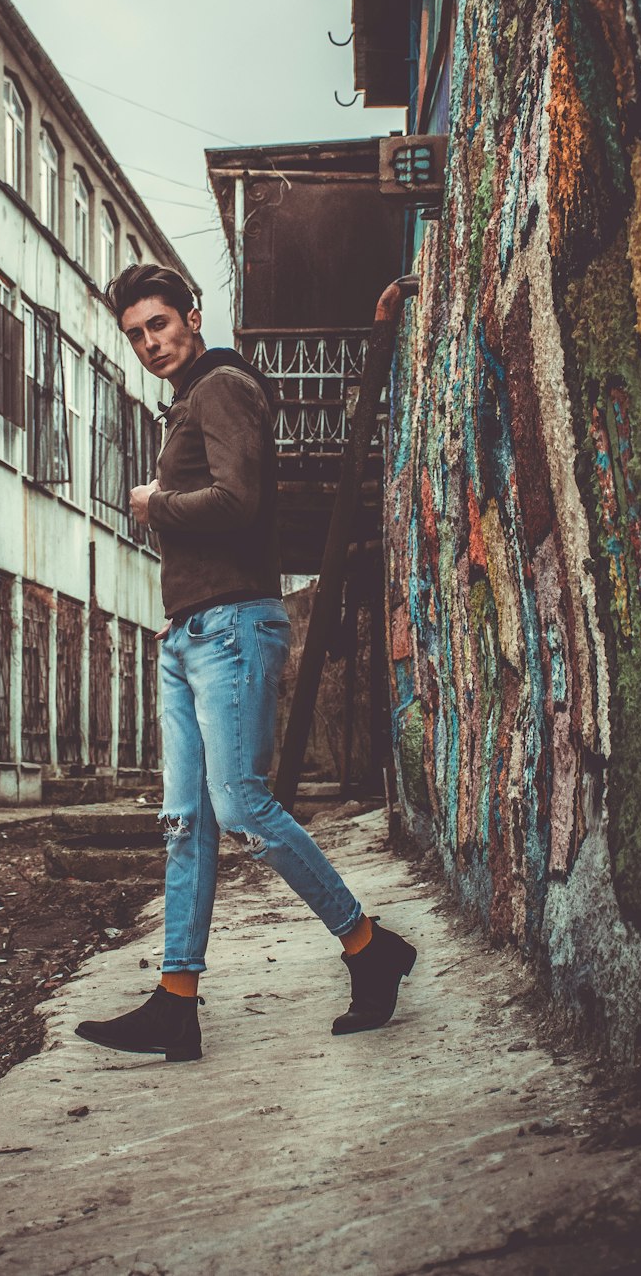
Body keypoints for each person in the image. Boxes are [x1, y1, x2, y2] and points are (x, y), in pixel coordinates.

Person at [74, 264, 416, 1062]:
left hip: (231, 627)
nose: (148, 343)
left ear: (191, 316)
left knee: (240, 809)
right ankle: (176, 1000)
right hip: (190, 632)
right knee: (183, 824)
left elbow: (238, 501)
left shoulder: (222, 385)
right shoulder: (189, 398)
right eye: (134, 334)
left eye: (158, 324)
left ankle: (369, 945)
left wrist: (155, 503)